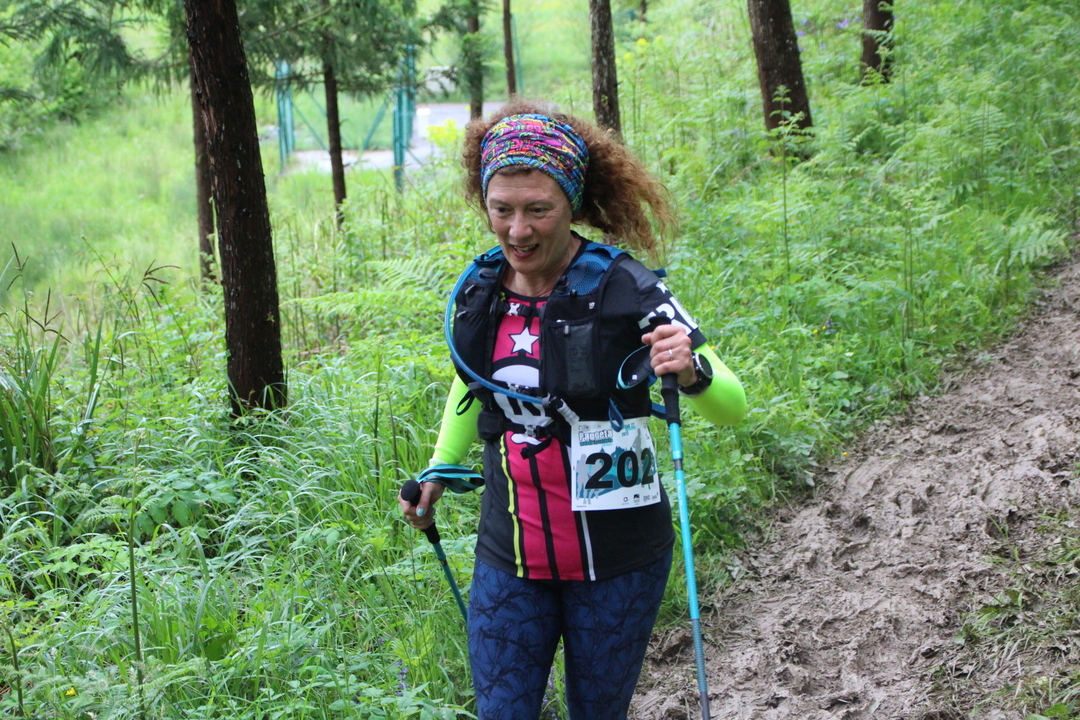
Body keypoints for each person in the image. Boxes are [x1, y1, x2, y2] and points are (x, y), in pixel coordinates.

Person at [399, 98, 746, 720]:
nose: (517, 231)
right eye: (501, 209)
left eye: (538, 210)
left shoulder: (628, 287)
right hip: (511, 553)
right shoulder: (481, 289)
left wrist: (692, 372)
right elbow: (473, 383)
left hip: (618, 560)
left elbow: (733, 405)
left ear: (573, 203)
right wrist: (440, 467)